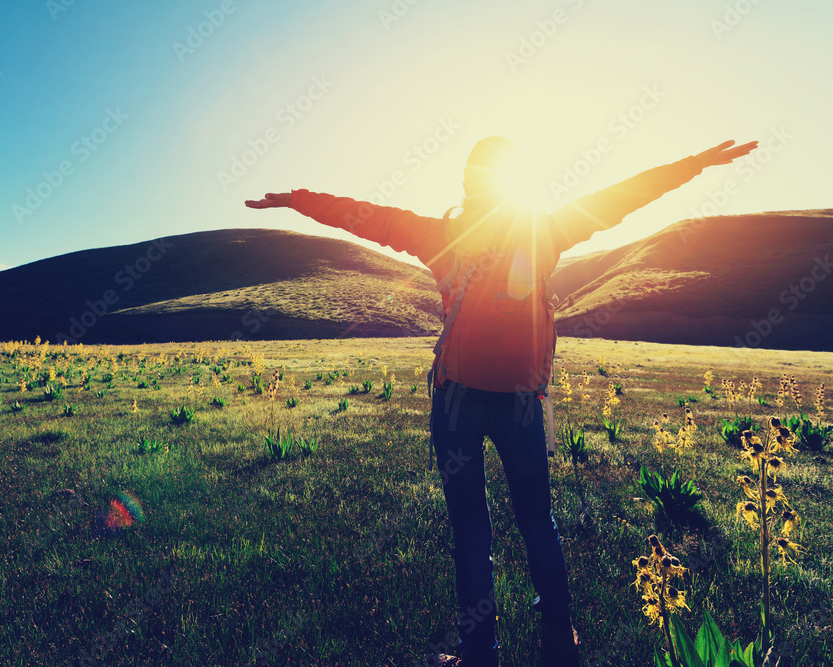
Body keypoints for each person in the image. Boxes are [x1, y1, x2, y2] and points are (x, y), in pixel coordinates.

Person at [245, 136, 757, 667]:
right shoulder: (544, 234)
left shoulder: (441, 236)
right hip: (522, 401)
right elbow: (623, 197)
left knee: (470, 531)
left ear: (467, 184)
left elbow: (362, 216)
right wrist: (694, 165)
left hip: (458, 402)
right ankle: (559, 644)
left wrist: (296, 199)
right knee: (539, 522)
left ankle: (479, 654)